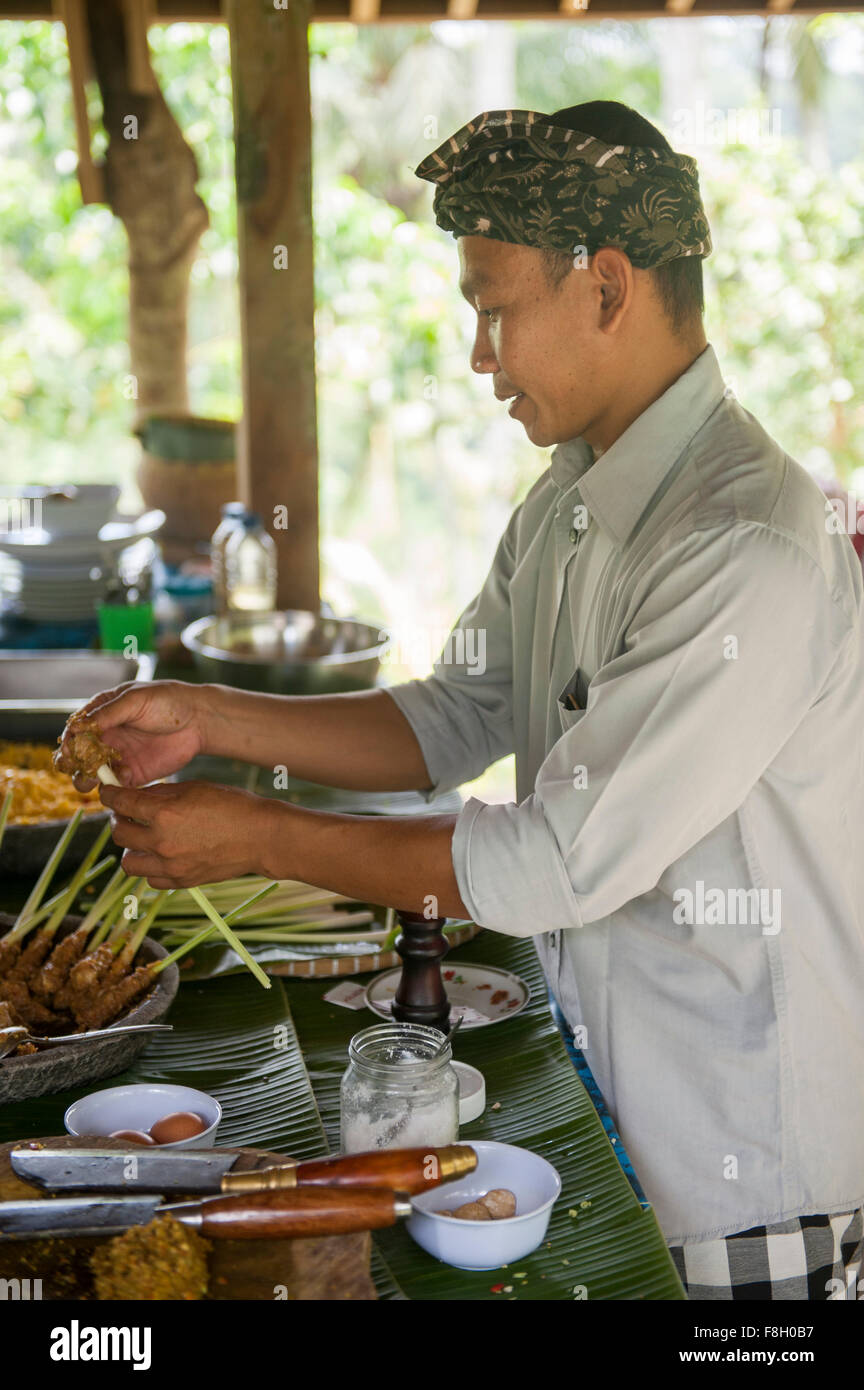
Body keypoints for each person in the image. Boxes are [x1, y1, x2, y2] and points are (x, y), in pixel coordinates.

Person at [66, 101, 864, 1301]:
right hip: (615, 1114)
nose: (479, 357)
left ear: (606, 285)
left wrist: (257, 836)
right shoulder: (573, 498)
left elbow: (555, 859)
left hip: (738, 1175)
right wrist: (212, 718)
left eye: (494, 311)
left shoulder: (742, 544)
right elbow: (452, 716)